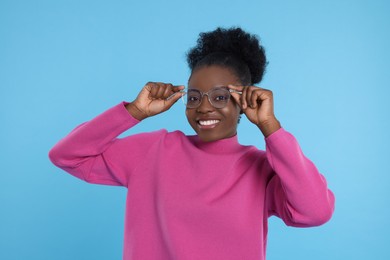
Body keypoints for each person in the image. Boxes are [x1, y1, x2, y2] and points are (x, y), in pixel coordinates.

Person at [49, 27, 335, 260]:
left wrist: (270, 127)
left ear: (244, 102)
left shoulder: (261, 168)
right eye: (195, 97)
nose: (204, 108)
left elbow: (315, 211)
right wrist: (134, 111)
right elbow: (67, 156)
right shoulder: (153, 151)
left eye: (221, 97)